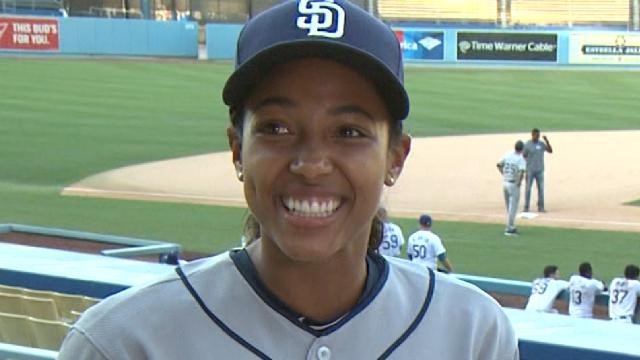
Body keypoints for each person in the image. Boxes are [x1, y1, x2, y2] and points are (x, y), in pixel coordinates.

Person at [58, 1, 518, 358]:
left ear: (396, 157)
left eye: (349, 132)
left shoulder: (473, 333)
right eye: (276, 128)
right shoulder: (122, 343)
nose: (312, 163)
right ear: (238, 149)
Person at [497, 140, 526, 236]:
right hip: (513, 184)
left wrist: (503, 173)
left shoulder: (508, 154)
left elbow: (499, 165)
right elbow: (522, 172)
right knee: (512, 208)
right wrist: (519, 182)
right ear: (522, 149)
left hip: (505, 182)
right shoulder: (521, 159)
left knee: (509, 207)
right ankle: (509, 229)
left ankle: (511, 226)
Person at [523, 128, 553, 213]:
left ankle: (541, 207)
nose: (537, 137)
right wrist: (529, 163)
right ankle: (526, 207)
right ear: (532, 134)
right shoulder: (527, 144)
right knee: (528, 189)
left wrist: (547, 141)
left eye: (538, 135)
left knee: (541, 189)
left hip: (540, 170)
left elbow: (550, 151)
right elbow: (524, 155)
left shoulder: (541, 144)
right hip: (530, 170)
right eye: (536, 135)